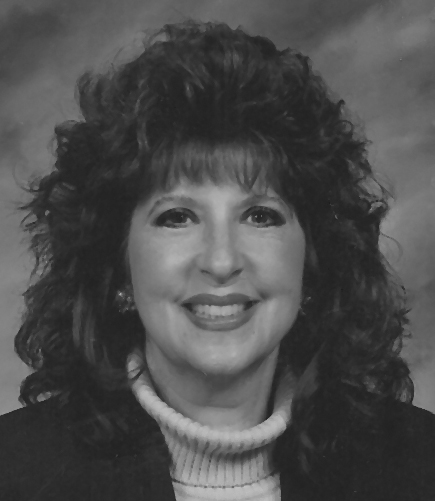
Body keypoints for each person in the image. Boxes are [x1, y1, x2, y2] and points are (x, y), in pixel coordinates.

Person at [0, 20, 434, 501]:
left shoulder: (419, 463)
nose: (222, 261)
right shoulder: (15, 473)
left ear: (312, 262)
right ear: (118, 268)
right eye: (177, 217)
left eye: (260, 216)